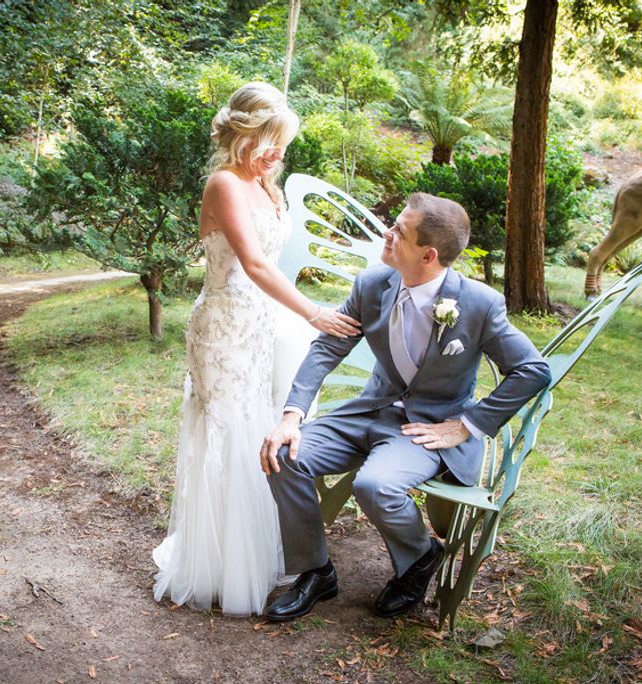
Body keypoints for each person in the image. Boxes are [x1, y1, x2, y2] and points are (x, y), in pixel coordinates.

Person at [260, 193, 552, 621]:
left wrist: (467, 425)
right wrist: (292, 416)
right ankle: (315, 571)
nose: (387, 233)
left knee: (375, 486)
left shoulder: (478, 304)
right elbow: (327, 348)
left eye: (399, 230)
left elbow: (533, 371)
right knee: (283, 454)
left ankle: (420, 556)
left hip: (426, 427)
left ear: (428, 255)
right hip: (370, 411)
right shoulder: (372, 284)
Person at [152, 82, 361, 617]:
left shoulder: (268, 183)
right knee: (228, 429)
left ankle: (265, 550)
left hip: (262, 325)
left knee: (261, 428)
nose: (277, 153)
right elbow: (255, 264)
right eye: (270, 141)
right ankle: (223, 564)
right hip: (224, 328)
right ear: (242, 134)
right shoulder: (224, 183)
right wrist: (313, 313)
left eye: (283, 143)